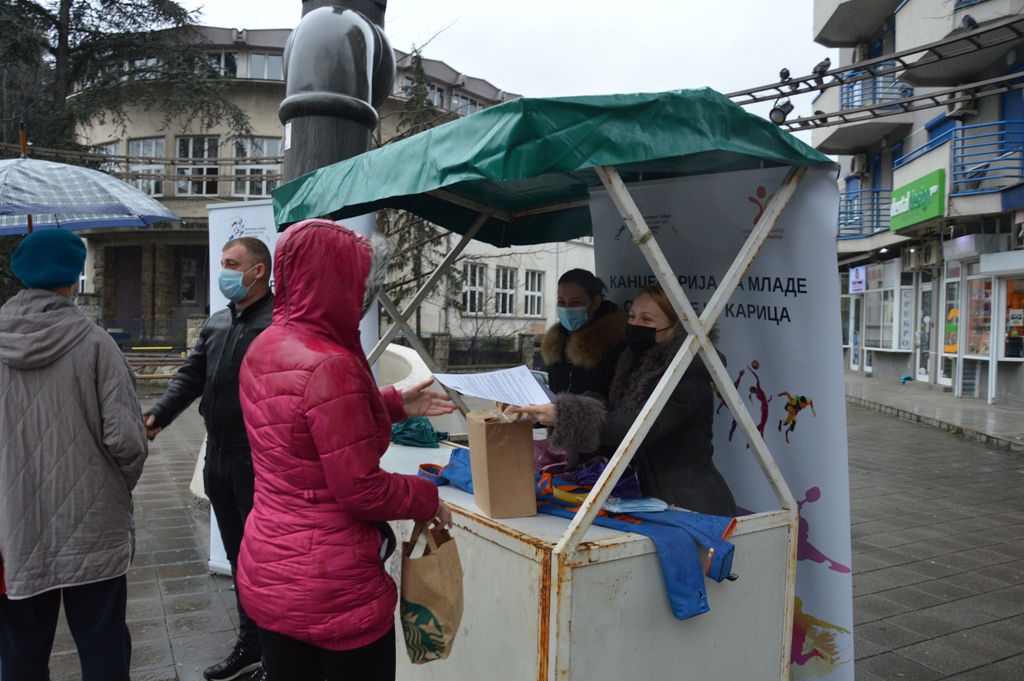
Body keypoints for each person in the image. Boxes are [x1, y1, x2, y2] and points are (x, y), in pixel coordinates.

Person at [236, 219, 456, 681]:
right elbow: (361, 489)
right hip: (332, 585)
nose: (364, 296)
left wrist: (392, 401)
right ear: (336, 280)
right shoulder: (330, 363)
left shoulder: (267, 345)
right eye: (360, 282)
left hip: (272, 565)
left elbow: (300, 427)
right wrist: (426, 497)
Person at [0, 229, 149, 681]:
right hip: (93, 522)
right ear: (73, 277)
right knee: (102, 643)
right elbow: (126, 441)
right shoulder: (97, 344)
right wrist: (114, 488)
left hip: (14, 525)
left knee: (20, 652)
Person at [142, 236, 273, 681]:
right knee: (239, 560)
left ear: (258, 271)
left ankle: (276, 656)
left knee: (266, 563)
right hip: (216, 458)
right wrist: (160, 413)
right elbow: (191, 375)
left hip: (258, 463)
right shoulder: (218, 323)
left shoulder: (278, 324)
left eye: (232, 264)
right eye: (223, 263)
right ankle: (250, 644)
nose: (224, 272)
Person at [516, 284, 737, 516]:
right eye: (632, 316)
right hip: (647, 499)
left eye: (647, 319)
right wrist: (551, 410)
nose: (635, 325)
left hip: (691, 505)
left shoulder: (686, 375)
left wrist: (567, 417)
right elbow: (613, 415)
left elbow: (639, 428)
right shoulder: (635, 364)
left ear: (676, 327)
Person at [541, 269, 627, 397]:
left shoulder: (616, 343)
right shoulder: (556, 345)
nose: (567, 308)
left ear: (596, 302)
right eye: (561, 302)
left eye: (576, 302)